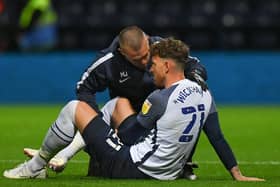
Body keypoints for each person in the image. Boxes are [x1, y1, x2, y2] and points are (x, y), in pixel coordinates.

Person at [3, 38, 265, 181]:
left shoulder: (159, 98)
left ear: (165, 65)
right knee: (119, 103)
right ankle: (66, 151)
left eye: (153, 65)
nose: (149, 69)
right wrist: (237, 174)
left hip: (131, 166)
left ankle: (36, 166)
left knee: (77, 108)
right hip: (169, 172)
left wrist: (95, 136)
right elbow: (216, 137)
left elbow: (127, 136)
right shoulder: (206, 93)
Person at [22, 25, 207, 179]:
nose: (145, 62)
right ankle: (62, 155)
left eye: (146, 55)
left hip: (156, 122)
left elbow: (192, 63)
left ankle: (61, 153)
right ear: (122, 52)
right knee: (99, 171)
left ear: (148, 40)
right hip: (126, 122)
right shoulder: (108, 62)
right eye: (137, 59)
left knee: (190, 112)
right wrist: (93, 126)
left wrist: (196, 76)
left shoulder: (160, 47)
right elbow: (84, 88)